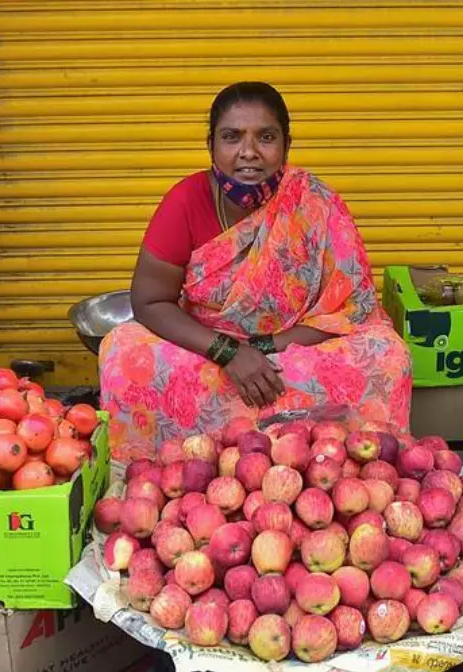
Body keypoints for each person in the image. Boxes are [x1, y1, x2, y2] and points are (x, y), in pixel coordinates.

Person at [99, 82, 412, 460]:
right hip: (208, 344)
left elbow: (350, 308)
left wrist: (262, 350)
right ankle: (168, 462)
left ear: (286, 145)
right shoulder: (184, 201)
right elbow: (150, 300)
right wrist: (228, 353)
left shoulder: (315, 203)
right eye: (232, 137)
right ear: (210, 145)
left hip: (291, 344)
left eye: (265, 137)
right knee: (121, 352)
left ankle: (333, 459)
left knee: (388, 355)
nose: (249, 152)